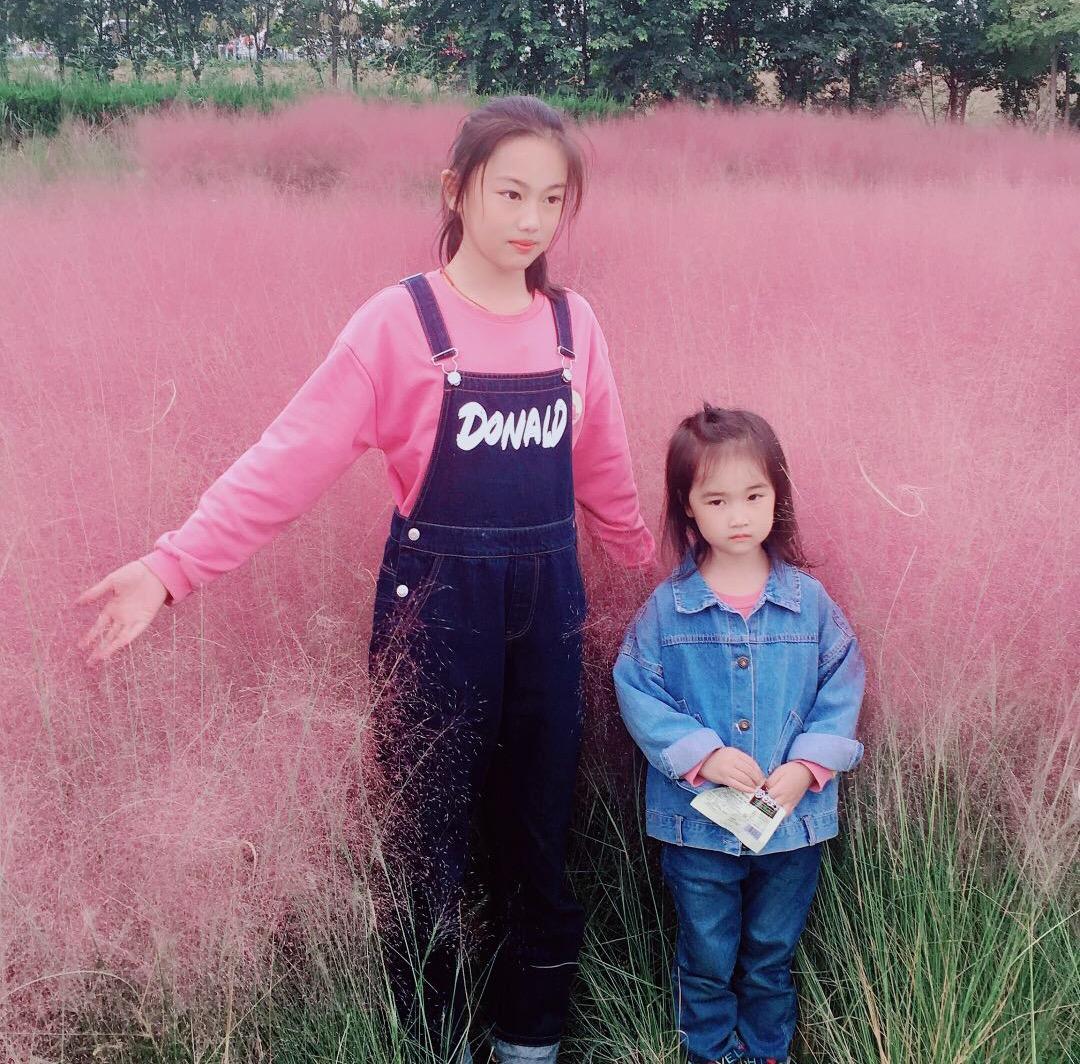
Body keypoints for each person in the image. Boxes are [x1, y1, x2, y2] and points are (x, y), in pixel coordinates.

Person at [75, 95, 655, 1063]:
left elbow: (607, 480)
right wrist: (170, 569)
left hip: (549, 620)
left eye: (553, 200)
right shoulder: (400, 324)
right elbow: (286, 461)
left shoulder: (573, 328)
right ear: (455, 192)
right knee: (426, 855)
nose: (530, 220)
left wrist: (649, 586)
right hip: (436, 622)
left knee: (538, 845)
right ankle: (435, 1044)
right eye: (510, 192)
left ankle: (529, 1041)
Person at [613, 405, 864, 1064]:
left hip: (792, 826)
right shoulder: (667, 611)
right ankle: (711, 1054)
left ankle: (767, 1053)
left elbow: (842, 686)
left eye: (754, 495)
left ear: (777, 495)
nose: (739, 514)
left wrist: (808, 766)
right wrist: (704, 756)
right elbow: (636, 687)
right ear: (688, 508)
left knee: (769, 961)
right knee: (706, 958)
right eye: (717, 500)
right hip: (698, 828)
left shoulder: (809, 604)